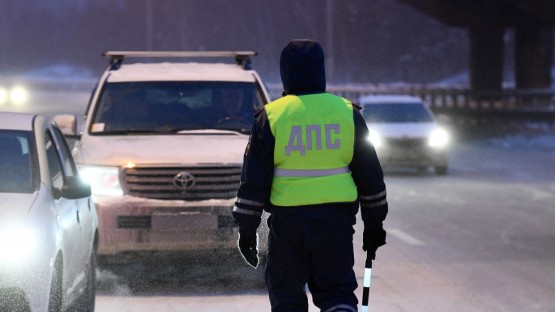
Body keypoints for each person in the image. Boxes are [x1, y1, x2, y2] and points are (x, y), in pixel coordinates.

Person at [232, 39, 388, 312]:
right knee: (337, 292)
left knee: (287, 296)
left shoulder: (271, 117)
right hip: (335, 223)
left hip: (288, 225)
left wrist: (247, 229)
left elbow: (254, 181)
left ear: (285, 72)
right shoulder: (347, 113)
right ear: (320, 70)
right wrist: (374, 224)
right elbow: (370, 176)